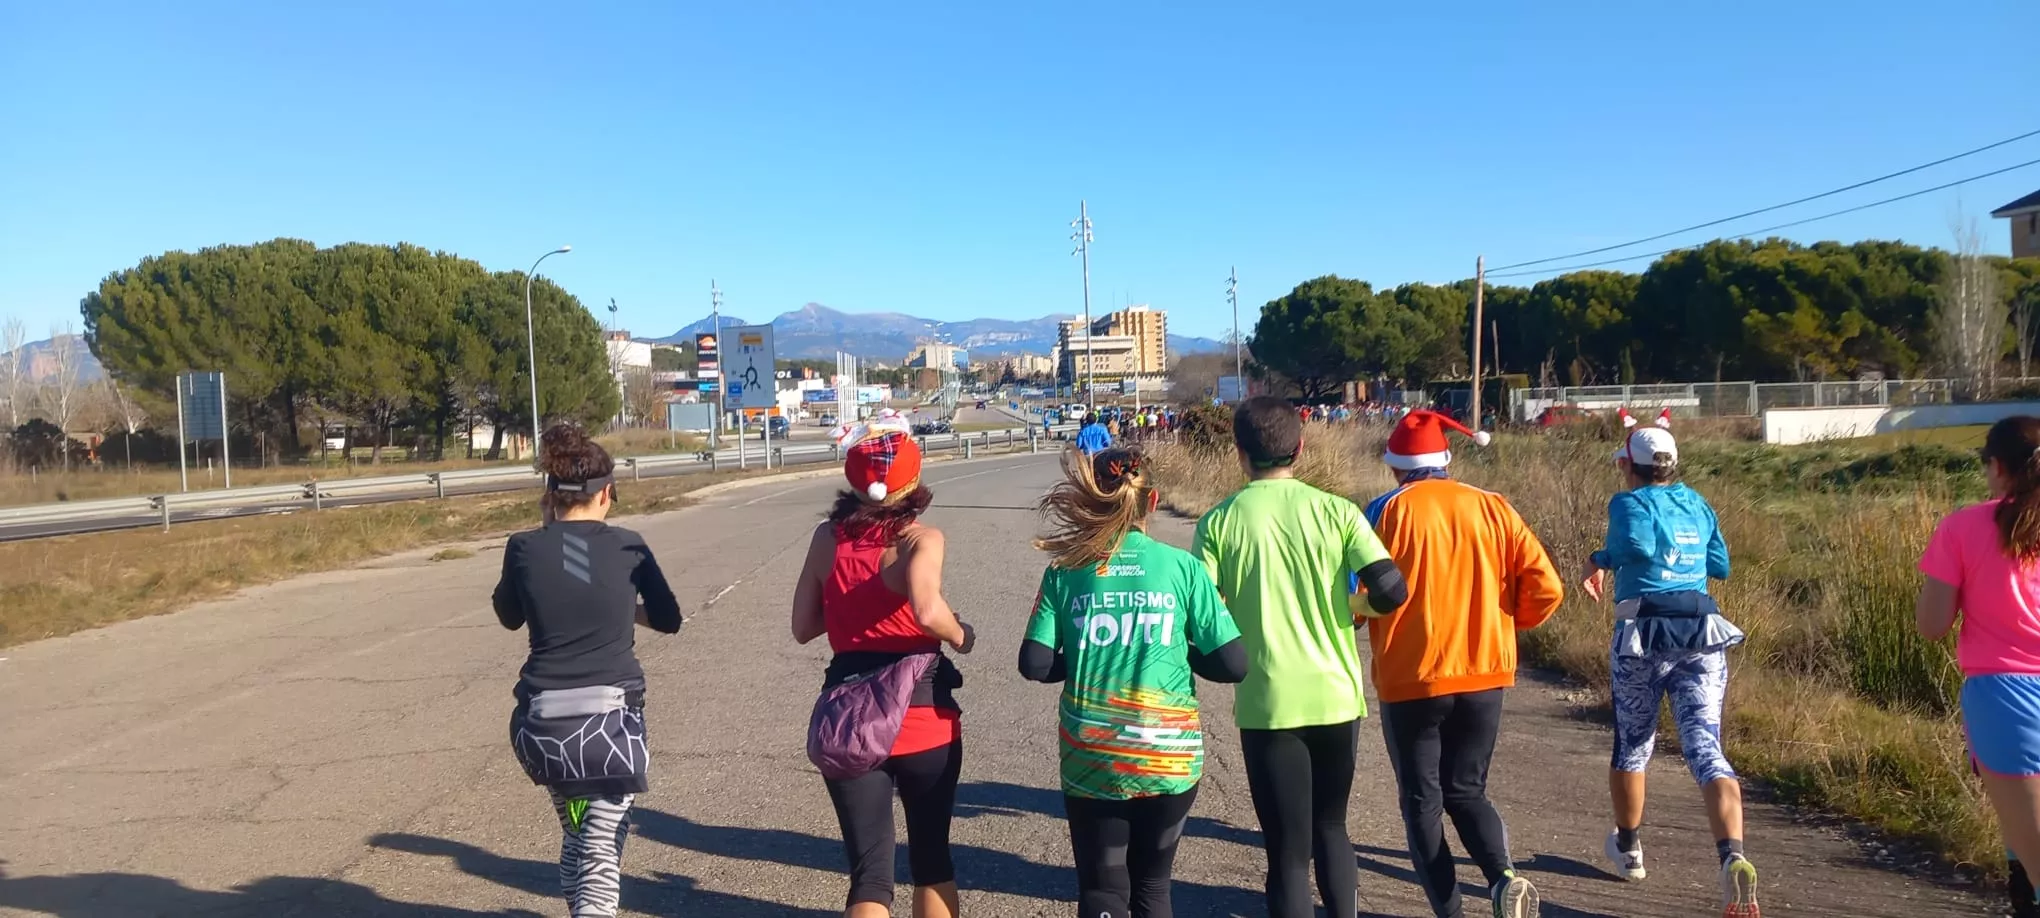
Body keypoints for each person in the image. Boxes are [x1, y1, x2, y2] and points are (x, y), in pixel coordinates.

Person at [1194, 396, 1409, 918]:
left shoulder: (1219, 523)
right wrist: (1351, 606)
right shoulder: (1338, 512)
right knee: (1332, 828)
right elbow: (1392, 590)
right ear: (1301, 447)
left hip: (1268, 703)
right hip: (1336, 697)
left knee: (1288, 852)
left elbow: (1201, 617)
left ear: (1239, 453)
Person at [1020, 446, 1248, 918]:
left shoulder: (1064, 570)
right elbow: (1233, 663)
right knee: (1152, 887)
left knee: (1103, 890)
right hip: (1168, 753)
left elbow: (1035, 663)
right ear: (1153, 499)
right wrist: (1182, 653)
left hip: (1093, 756)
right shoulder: (1182, 568)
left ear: (1089, 500)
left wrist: (1083, 658)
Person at [1363, 410, 1560, 918]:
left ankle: (1451, 912)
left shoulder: (1384, 511)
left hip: (1412, 679)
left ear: (1394, 467)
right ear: (1446, 460)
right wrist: (1502, 626)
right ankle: (1503, 879)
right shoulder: (1494, 507)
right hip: (1485, 674)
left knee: (1422, 802)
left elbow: (1360, 597)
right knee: (1467, 790)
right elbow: (1547, 589)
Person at [493, 424, 683, 918]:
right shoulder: (628, 546)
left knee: (580, 834)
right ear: (606, 494)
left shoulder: (523, 547)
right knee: (601, 848)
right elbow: (669, 619)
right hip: (607, 734)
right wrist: (626, 608)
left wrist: (542, 528)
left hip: (544, 734)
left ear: (550, 496)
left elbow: (509, 615)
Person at [793, 413, 976, 918]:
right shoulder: (920, 539)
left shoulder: (826, 539)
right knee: (932, 859)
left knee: (870, 875)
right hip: (923, 719)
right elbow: (926, 609)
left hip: (850, 719)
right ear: (915, 482)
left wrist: (853, 614)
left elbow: (803, 626)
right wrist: (961, 636)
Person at [1580, 409, 1757, 918]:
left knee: (1634, 743)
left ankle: (1630, 847)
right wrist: (1682, 559)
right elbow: (1718, 564)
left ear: (1630, 467)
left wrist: (1602, 557)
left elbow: (1632, 544)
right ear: (1672, 465)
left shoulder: (1629, 502)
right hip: (1702, 632)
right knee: (1706, 745)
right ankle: (1733, 857)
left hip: (1642, 635)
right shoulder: (1697, 503)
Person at [1918, 416, 2040, 918]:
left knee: (2030, 855)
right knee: (2023, 853)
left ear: (1997, 466)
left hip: (2004, 698)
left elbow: (1932, 625)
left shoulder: (1963, 528)